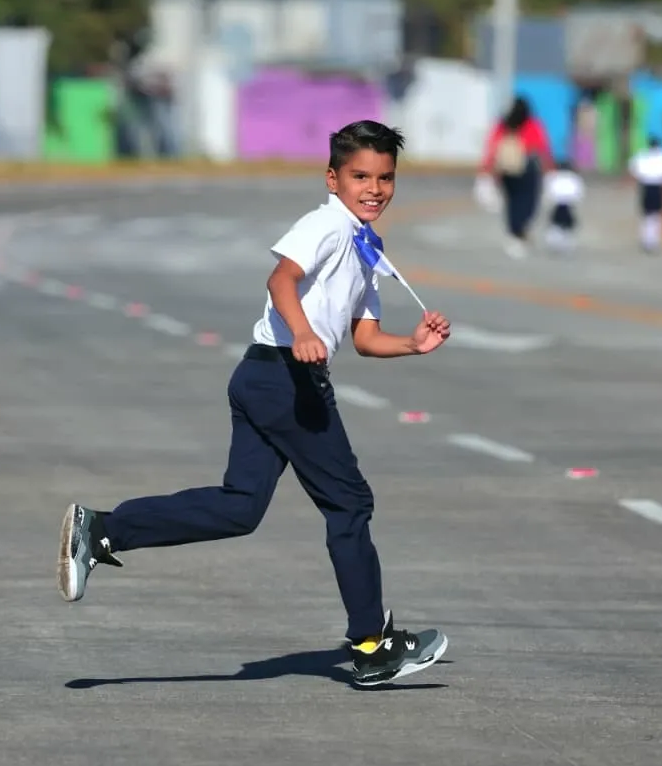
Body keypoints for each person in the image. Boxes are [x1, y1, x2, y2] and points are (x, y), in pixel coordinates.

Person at [57, 120, 452, 688]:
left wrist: (413, 344)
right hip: (287, 376)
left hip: (264, 377)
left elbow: (365, 337)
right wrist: (303, 335)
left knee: (240, 508)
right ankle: (372, 644)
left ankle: (103, 530)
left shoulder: (366, 244)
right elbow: (281, 280)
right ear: (332, 178)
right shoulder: (326, 225)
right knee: (348, 503)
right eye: (360, 176)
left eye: (385, 177)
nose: (374, 188)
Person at [481, 96, 555, 259]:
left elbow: (492, 147)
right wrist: (549, 170)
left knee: (513, 203)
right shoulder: (532, 124)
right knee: (527, 203)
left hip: (506, 170)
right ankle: (518, 233)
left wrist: (487, 172)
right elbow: (543, 148)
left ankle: (515, 233)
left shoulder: (503, 124)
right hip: (527, 170)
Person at [627, 136, 662, 253]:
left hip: (646, 186)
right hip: (658, 186)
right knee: (657, 216)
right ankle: (654, 240)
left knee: (646, 215)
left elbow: (633, 170)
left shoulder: (642, 155)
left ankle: (646, 239)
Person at [542, 158, 584, 255]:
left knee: (556, 224)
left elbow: (548, 193)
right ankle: (565, 242)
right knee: (568, 225)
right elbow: (579, 194)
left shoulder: (552, 177)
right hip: (568, 205)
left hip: (558, 204)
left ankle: (557, 242)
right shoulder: (574, 178)